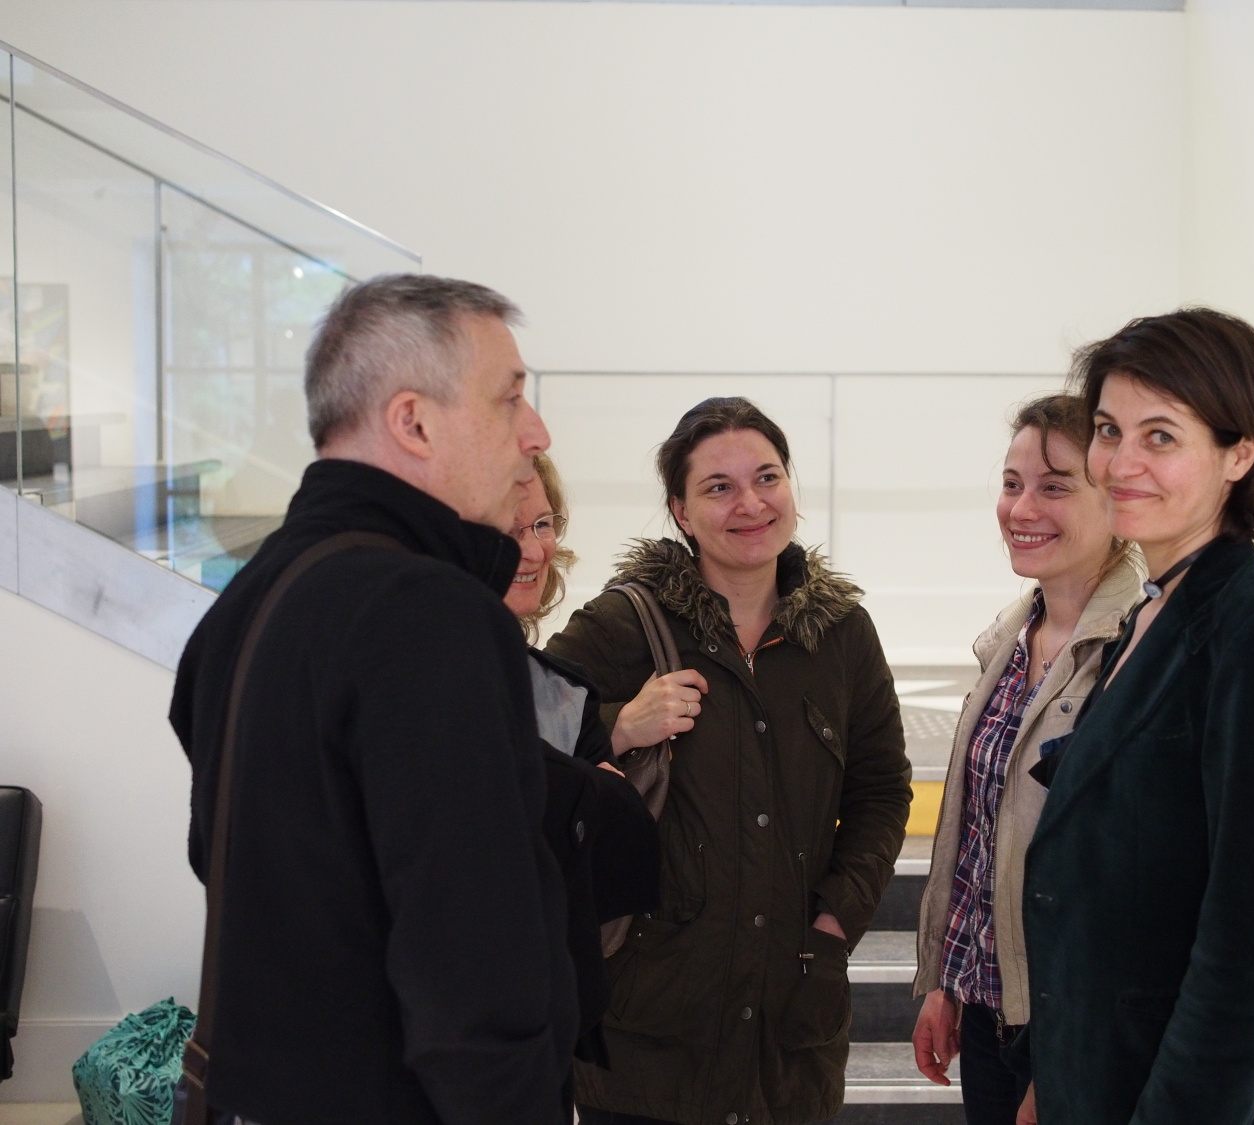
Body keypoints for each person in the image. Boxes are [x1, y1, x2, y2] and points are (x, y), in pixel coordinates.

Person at [170, 274, 575, 1124]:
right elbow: (470, 968)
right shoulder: (425, 612)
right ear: (413, 422)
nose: (535, 433)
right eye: (509, 399)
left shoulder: (259, 592)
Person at [1018, 308, 1254, 1124]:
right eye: (1108, 430)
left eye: (1160, 436)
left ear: (1240, 453)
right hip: (1105, 1080)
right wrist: (1058, 1073)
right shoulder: (1149, 613)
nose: (1119, 462)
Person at [546, 396, 913, 1125]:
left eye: (767, 477)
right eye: (719, 487)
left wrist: (835, 920)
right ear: (681, 512)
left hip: (791, 1029)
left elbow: (881, 789)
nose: (750, 503)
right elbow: (519, 740)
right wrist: (619, 726)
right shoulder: (623, 624)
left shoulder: (841, 635)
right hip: (647, 1038)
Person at [909, 394, 1141, 1124]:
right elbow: (982, 839)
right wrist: (947, 980)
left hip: (1073, 1024)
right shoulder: (1009, 642)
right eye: (1012, 484)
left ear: (1115, 498)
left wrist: (1069, 1057)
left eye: (1055, 486)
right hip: (990, 1010)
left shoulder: (1139, 650)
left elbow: (1127, 887)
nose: (1022, 508)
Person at [501, 453, 660, 1068]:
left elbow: (616, 862)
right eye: (509, 529)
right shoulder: (417, 679)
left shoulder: (563, 690)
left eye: (542, 525)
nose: (533, 550)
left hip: (546, 1014)